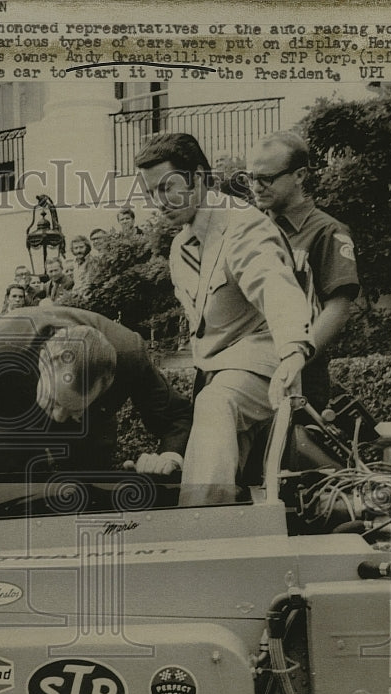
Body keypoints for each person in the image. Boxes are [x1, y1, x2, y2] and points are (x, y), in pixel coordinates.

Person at [135, 132, 315, 503]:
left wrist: (295, 349)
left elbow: (275, 287)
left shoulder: (242, 224)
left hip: (266, 369)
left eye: (169, 188)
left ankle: (202, 538)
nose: (160, 202)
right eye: (152, 193)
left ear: (199, 177)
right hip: (219, 376)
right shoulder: (179, 247)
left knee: (215, 404)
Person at [0, 306, 192, 479]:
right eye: (55, 401)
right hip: (7, 411)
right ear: (43, 362)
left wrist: (169, 457)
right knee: (7, 495)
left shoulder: (130, 355)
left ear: (109, 383)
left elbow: (176, 416)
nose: (59, 417)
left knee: (89, 490)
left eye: (74, 408)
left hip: (88, 436)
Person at [250, 131, 360, 410]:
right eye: (251, 178)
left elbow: (337, 309)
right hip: (250, 370)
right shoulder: (248, 233)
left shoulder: (327, 231)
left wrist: (295, 358)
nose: (256, 187)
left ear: (299, 176)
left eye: (267, 178)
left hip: (300, 377)